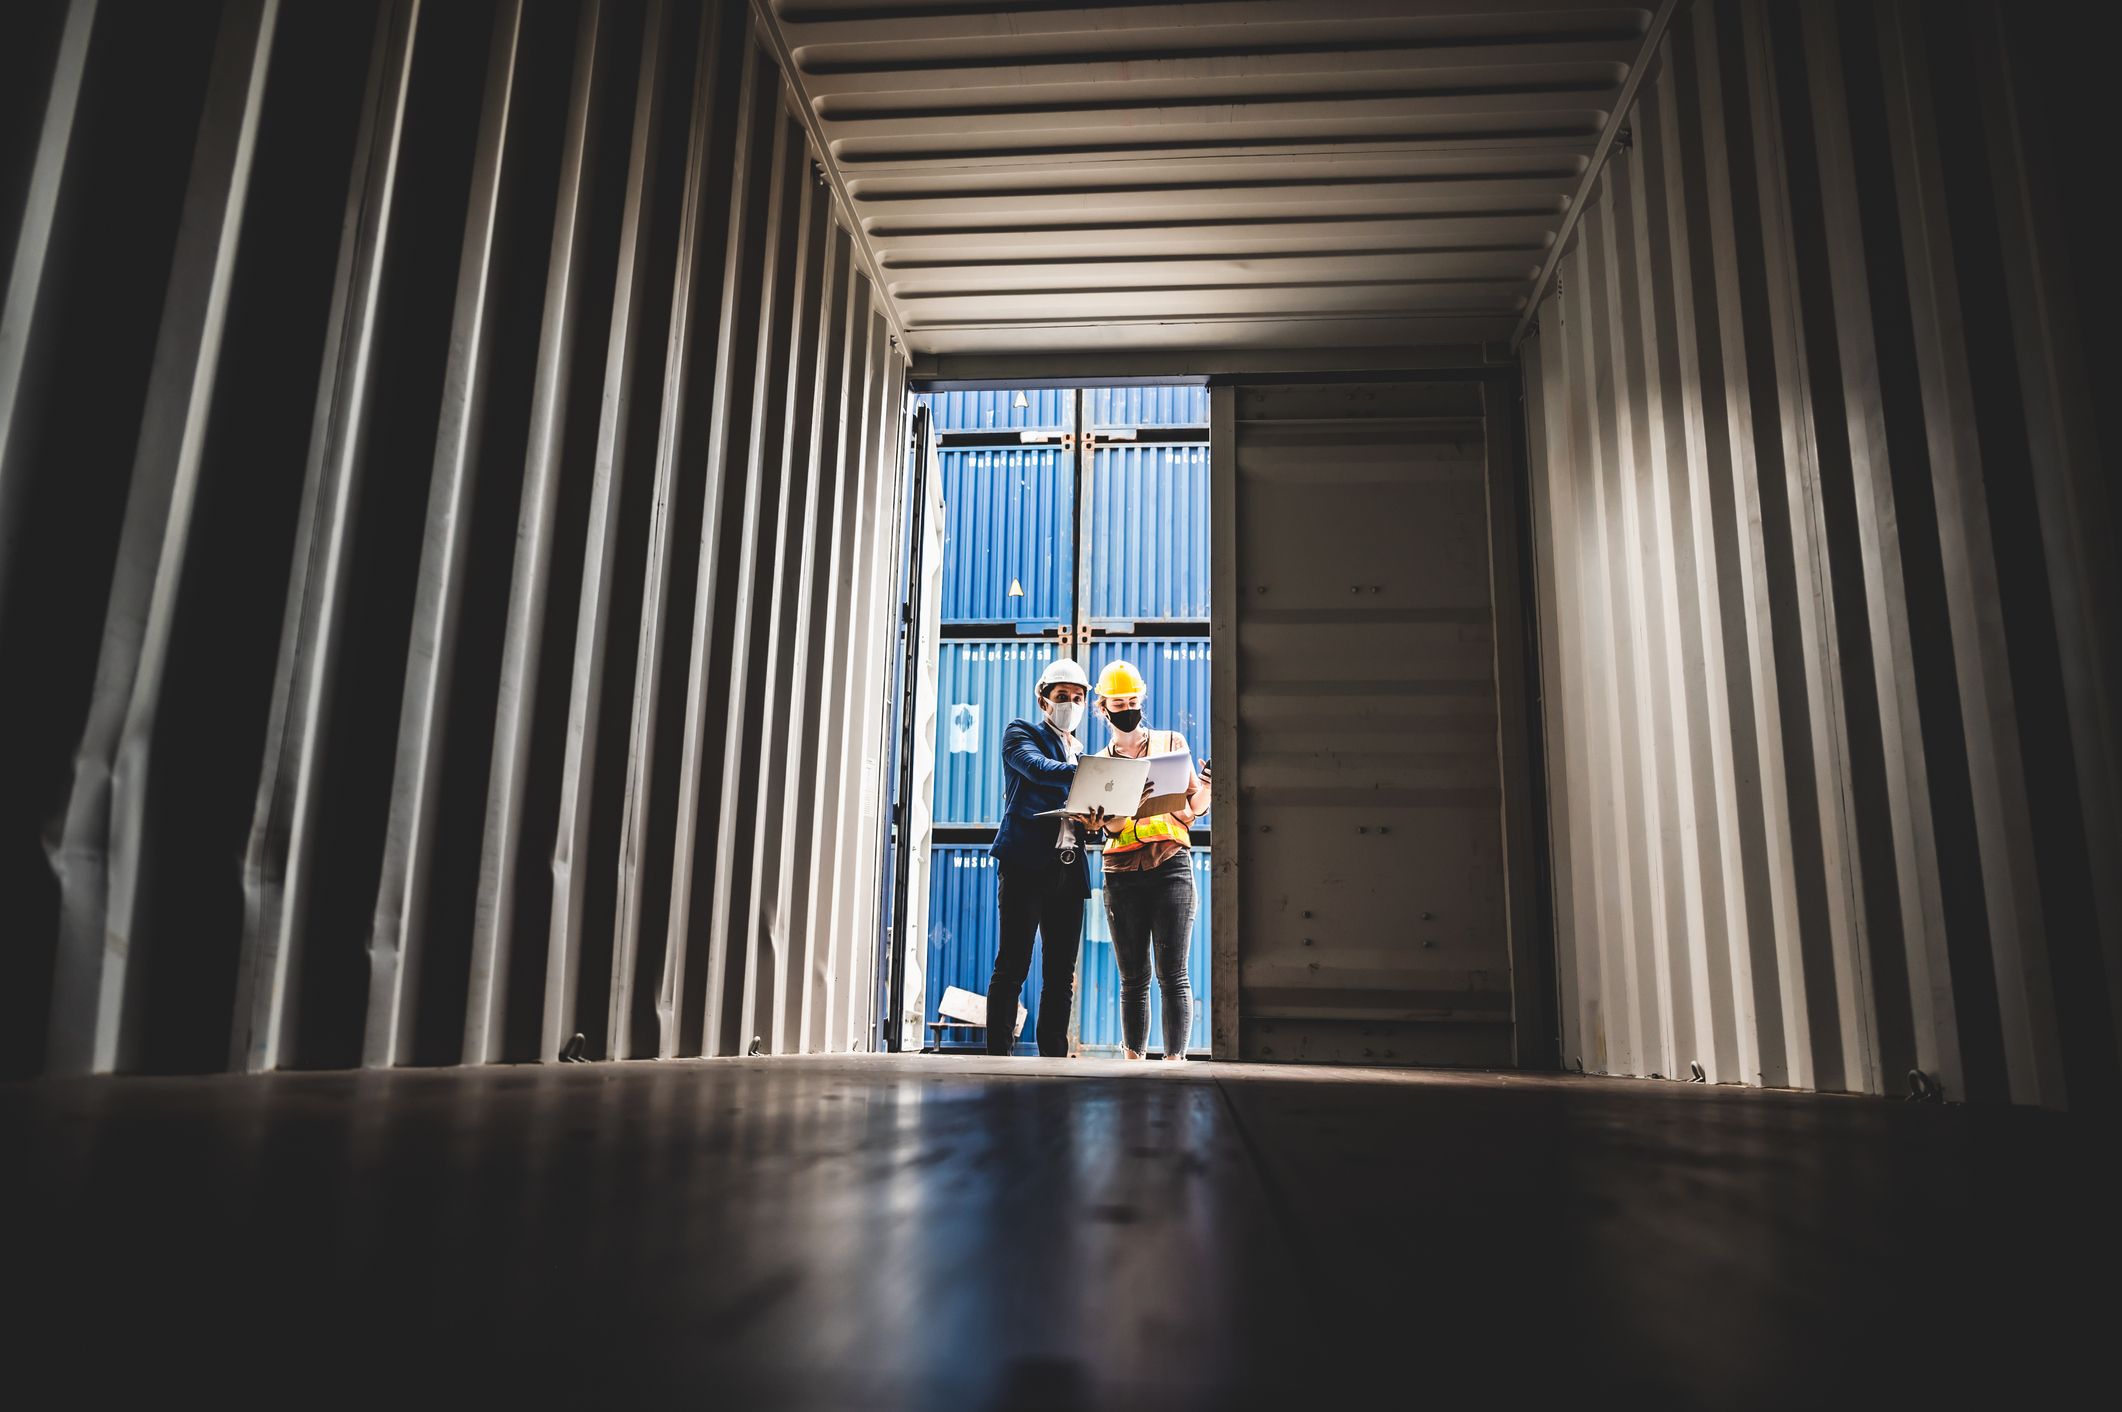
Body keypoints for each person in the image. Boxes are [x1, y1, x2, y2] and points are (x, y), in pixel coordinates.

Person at [985, 657, 1113, 1057]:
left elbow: (1090, 812)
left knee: (1061, 974)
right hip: (1025, 866)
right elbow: (1038, 770)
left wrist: (1096, 820)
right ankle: (999, 1056)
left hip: (1070, 869)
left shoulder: (1082, 754)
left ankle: (1055, 1057)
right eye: (1062, 696)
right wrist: (1095, 775)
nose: (1071, 704)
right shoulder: (1020, 733)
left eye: (1078, 698)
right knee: (1013, 966)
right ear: (1043, 700)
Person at [1089, 660, 1212, 1060]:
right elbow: (1109, 827)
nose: (1127, 709)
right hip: (1121, 872)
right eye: (1117, 703)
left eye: (1132, 701)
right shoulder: (1099, 763)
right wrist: (1106, 818)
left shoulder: (1171, 743)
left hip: (1170, 865)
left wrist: (1208, 783)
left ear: (1141, 700)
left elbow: (1196, 806)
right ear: (1103, 708)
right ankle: (1133, 1062)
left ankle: (1175, 1063)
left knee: (1173, 974)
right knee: (1133, 979)